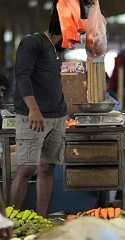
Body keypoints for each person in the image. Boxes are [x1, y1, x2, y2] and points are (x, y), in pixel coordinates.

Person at [11, 8, 68, 217]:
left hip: (57, 116)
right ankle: (13, 222)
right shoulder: (33, 42)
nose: (75, 41)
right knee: (26, 169)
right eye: (74, 35)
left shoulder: (55, 50)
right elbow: (22, 75)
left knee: (47, 168)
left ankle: (41, 218)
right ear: (62, 28)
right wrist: (33, 109)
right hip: (33, 116)